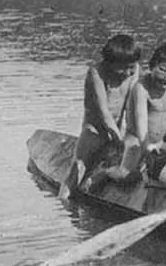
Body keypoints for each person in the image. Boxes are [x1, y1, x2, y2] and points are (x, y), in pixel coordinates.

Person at [98, 41, 166, 187]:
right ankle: (107, 171)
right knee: (127, 177)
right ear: (152, 66)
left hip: (161, 140)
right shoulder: (141, 87)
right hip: (137, 140)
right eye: (163, 70)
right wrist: (146, 148)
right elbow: (141, 122)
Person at [58, 34, 141, 200]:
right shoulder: (96, 73)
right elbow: (103, 112)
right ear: (109, 63)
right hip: (94, 129)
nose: (127, 73)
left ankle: (102, 175)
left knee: (133, 161)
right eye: (122, 68)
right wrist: (118, 140)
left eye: (130, 67)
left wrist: (131, 137)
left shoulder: (135, 70)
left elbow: (132, 107)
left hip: (118, 127)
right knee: (78, 168)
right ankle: (62, 204)